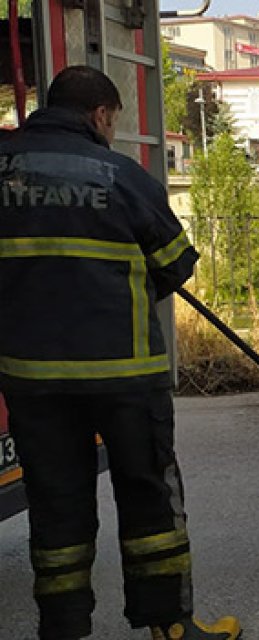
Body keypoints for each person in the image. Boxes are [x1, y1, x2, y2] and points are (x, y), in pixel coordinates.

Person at [0, 66, 239, 640]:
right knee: (149, 500)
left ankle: (62, 630)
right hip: (124, 375)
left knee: (56, 508)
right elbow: (176, 264)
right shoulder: (122, 176)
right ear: (101, 115)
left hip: (31, 379)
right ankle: (170, 625)